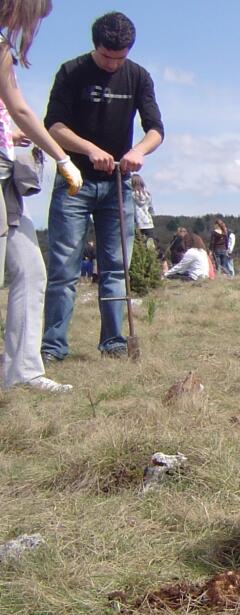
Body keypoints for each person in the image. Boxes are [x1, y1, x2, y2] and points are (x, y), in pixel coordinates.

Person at [41, 11, 164, 362]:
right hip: (74, 184)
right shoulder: (71, 72)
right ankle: (53, 348)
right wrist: (89, 149)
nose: (113, 64)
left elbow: (156, 129)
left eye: (120, 58)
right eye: (107, 57)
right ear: (95, 46)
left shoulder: (138, 76)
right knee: (64, 268)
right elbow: (54, 126)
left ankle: (113, 343)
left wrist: (137, 152)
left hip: (117, 185)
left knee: (115, 267)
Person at [0, 0, 83, 393]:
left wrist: (9, 135)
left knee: (31, 271)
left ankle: (23, 371)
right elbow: (20, 108)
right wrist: (62, 158)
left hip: (7, 182)